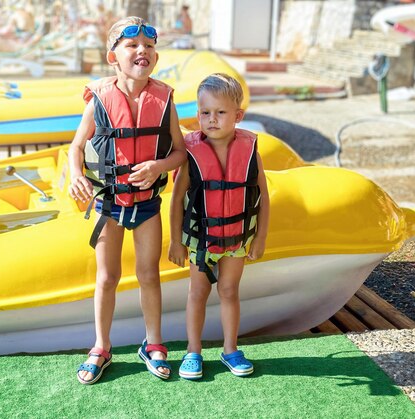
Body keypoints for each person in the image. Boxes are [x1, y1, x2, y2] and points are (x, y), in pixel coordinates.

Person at [69, 16, 187, 385]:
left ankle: (153, 344)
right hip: (109, 203)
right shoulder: (100, 99)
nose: (143, 52)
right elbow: (76, 145)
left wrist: (157, 166)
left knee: (149, 274)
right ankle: (101, 347)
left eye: (150, 47)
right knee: (107, 277)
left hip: (147, 203)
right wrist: (75, 175)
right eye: (133, 46)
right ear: (112, 57)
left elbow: (180, 153)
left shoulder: (164, 100)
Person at [168, 73, 270, 380]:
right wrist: (176, 241)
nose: (212, 119)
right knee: (197, 292)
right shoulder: (190, 152)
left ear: (238, 115)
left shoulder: (250, 149)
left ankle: (230, 349)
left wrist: (260, 237)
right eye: (205, 113)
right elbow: (175, 200)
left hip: (238, 238)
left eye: (221, 112)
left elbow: (263, 195)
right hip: (200, 240)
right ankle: (193, 351)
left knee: (229, 290)